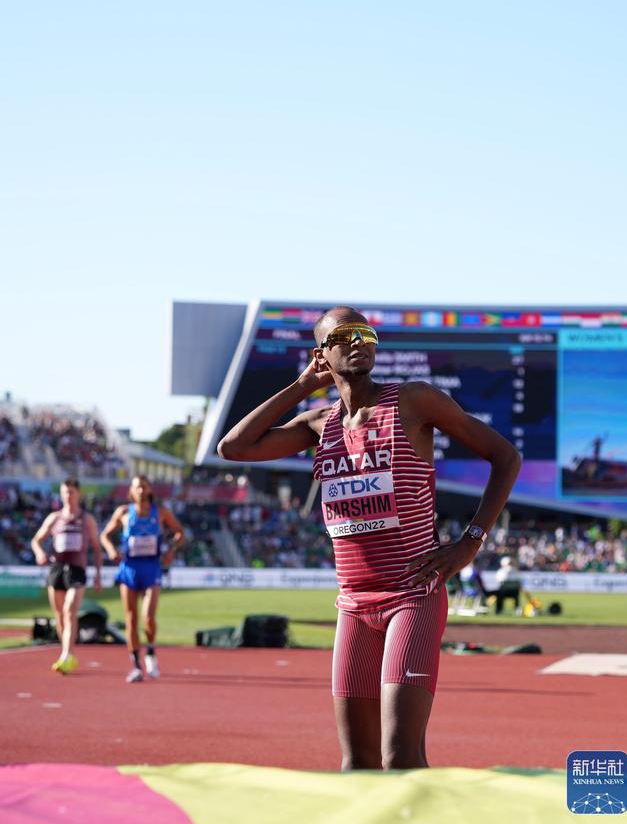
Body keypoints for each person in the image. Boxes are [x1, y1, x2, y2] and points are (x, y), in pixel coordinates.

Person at [218, 305, 521, 770]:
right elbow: (233, 448)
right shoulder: (319, 425)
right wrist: (302, 386)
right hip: (354, 604)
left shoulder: (413, 400)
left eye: (366, 333)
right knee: (357, 761)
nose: (359, 341)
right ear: (320, 354)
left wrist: (470, 542)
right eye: (344, 335)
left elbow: (506, 456)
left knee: (400, 756)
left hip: (412, 595)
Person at [100, 475, 185, 683]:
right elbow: (104, 535)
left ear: (149, 490)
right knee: (131, 619)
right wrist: (111, 550)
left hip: (152, 567)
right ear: (131, 490)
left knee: (148, 617)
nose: (140, 490)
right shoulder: (123, 512)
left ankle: (151, 654)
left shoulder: (160, 512)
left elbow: (180, 533)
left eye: (144, 487)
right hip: (129, 568)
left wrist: (171, 550)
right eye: (137, 487)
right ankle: (136, 666)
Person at [31, 478, 103, 674]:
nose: (67, 496)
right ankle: (66, 651)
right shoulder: (54, 518)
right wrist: (39, 553)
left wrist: (98, 575)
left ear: (78, 494)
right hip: (56, 569)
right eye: (64, 492)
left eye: (71, 492)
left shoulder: (86, 519)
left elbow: (97, 549)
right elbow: (36, 540)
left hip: (77, 570)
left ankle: (67, 654)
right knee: (60, 615)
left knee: (70, 610)